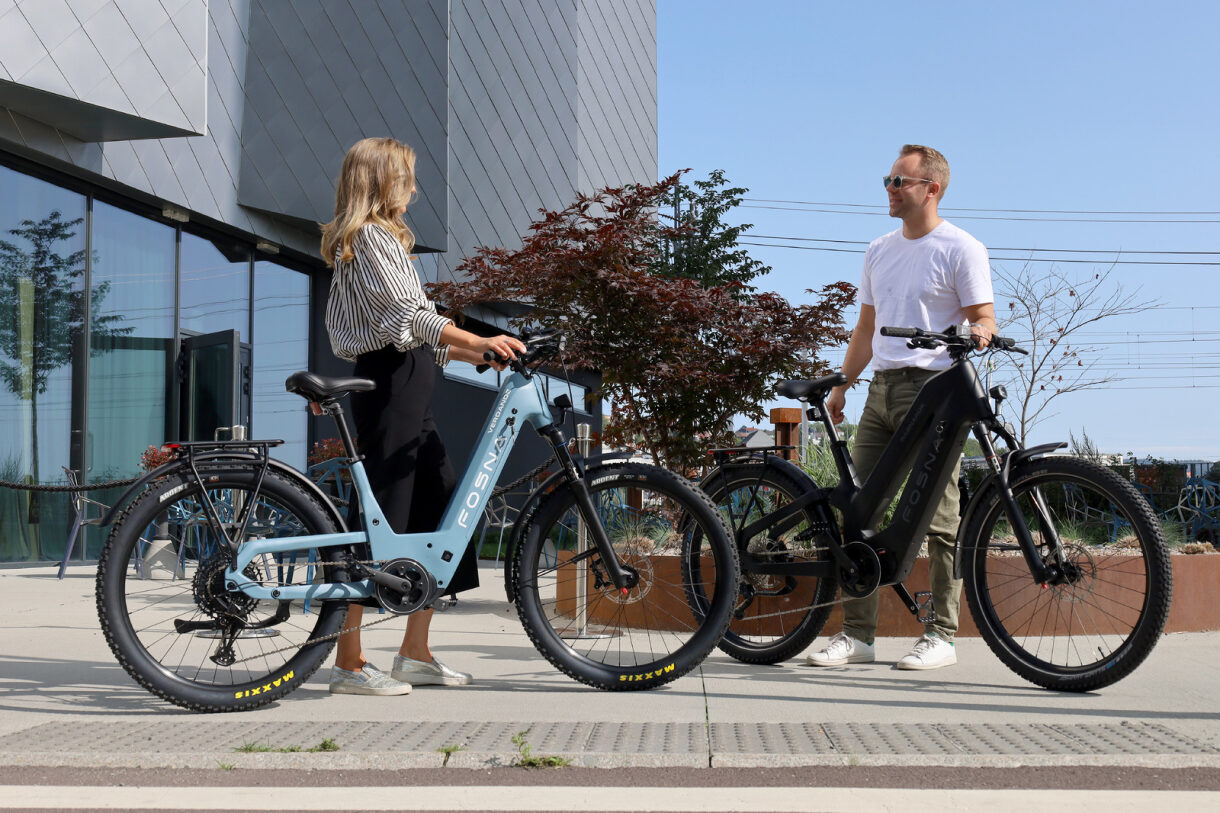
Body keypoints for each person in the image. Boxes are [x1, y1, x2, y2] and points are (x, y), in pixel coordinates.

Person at [320, 137, 526, 695]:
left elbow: (421, 335)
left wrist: (481, 351)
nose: (415, 188)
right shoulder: (367, 241)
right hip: (387, 388)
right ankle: (348, 663)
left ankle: (414, 653)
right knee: (381, 521)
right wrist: (481, 337)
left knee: (443, 505)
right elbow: (410, 318)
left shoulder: (387, 242)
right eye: (407, 177)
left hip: (410, 381)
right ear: (381, 180)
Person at [805, 144, 995, 671]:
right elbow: (866, 327)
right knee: (857, 510)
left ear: (931, 188)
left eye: (899, 181)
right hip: (882, 392)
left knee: (939, 518)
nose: (888, 188)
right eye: (886, 180)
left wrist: (978, 333)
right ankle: (858, 636)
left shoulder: (962, 248)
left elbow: (985, 318)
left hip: (934, 393)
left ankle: (941, 636)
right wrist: (845, 384)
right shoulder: (878, 249)